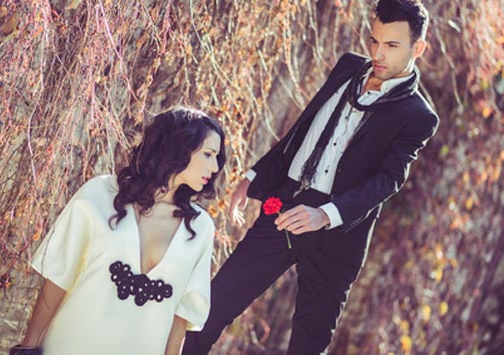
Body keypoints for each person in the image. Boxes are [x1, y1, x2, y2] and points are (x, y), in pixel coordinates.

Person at [182, 0, 439, 354]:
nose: (378, 53)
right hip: (286, 208)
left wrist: (325, 215)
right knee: (213, 306)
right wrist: (255, 175)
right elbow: (304, 129)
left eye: (392, 45)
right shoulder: (349, 66)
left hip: (338, 235)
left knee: (308, 344)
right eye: (374, 40)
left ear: (418, 48)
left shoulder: (418, 115)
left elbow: (388, 180)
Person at [11, 108, 226, 355]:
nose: (215, 166)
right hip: (70, 343)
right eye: (209, 154)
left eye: (217, 157)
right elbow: (59, 276)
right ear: (178, 148)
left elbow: (182, 313)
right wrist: (28, 347)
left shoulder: (200, 228)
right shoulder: (100, 194)